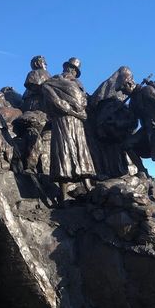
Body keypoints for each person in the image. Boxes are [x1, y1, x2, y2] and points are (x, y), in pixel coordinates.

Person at [41, 57, 96, 203]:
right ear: (66, 68)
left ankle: (88, 186)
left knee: (81, 152)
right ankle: (63, 195)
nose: (71, 71)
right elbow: (55, 102)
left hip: (77, 123)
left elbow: (83, 102)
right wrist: (74, 112)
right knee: (63, 152)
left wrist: (79, 110)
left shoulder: (78, 85)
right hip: (62, 120)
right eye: (71, 68)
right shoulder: (51, 82)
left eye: (74, 70)